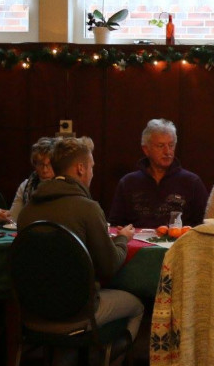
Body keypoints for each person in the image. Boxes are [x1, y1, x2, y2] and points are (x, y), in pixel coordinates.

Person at [16, 136, 145, 341]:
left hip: (32, 313)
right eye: (91, 167)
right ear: (80, 169)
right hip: (79, 314)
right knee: (138, 306)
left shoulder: (27, 211)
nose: (93, 173)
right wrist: (122, 239)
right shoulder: (87, 209)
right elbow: (109, 266)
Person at [108, 119, 208, 228]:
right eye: (160, 146)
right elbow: (115, 225)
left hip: (179, 243)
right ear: (146, 149)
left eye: (171, 145)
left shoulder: (192, 182)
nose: (167, 151)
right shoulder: (128, 183)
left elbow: (204, 224)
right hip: (136, 243)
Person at [0, 136, 58, 224]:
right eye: (40, 164)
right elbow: (13, 219)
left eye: (49, 164)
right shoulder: (26, 186)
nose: (45, 170)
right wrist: (1, 217)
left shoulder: (65, 186)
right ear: (34, 163)